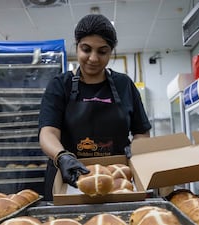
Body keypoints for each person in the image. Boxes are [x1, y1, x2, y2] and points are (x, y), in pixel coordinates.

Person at [38, 14, 152, 201]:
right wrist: (62, 157)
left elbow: (141, 132)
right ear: (77, 47)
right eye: (86, 49)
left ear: (111, 52)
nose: (93, 58)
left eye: (102, 51)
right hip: (68, 180)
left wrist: (138, 148)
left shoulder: (124, 85)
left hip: (116, 180)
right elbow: (48, 133)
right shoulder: (60, 85)